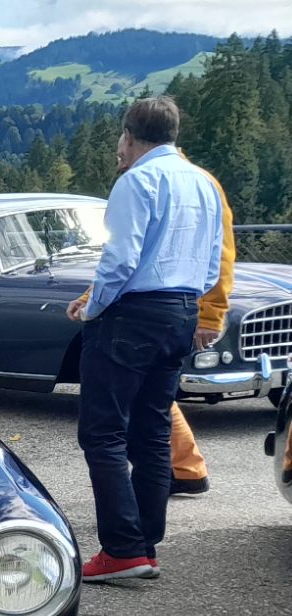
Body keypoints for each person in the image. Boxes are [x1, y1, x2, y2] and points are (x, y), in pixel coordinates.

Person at [63, 96, 223, 582]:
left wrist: (94, 307)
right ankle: (146, 544)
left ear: (129, 136)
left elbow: (120, 259)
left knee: (103, 433)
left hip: (130, 316)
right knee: (152, 431)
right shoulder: (204, 182)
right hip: (182, 310)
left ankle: (121, 549)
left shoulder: (136, 181)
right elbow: (212, 262)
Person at [169, 165, 237, 496]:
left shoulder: (196, 182)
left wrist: (211, 314)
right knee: (151, 393)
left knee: (148, 392)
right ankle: (185, 469)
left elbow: (220, 252)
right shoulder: (191, 180)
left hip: (171, 306)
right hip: (169, 305)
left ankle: (185, 469)